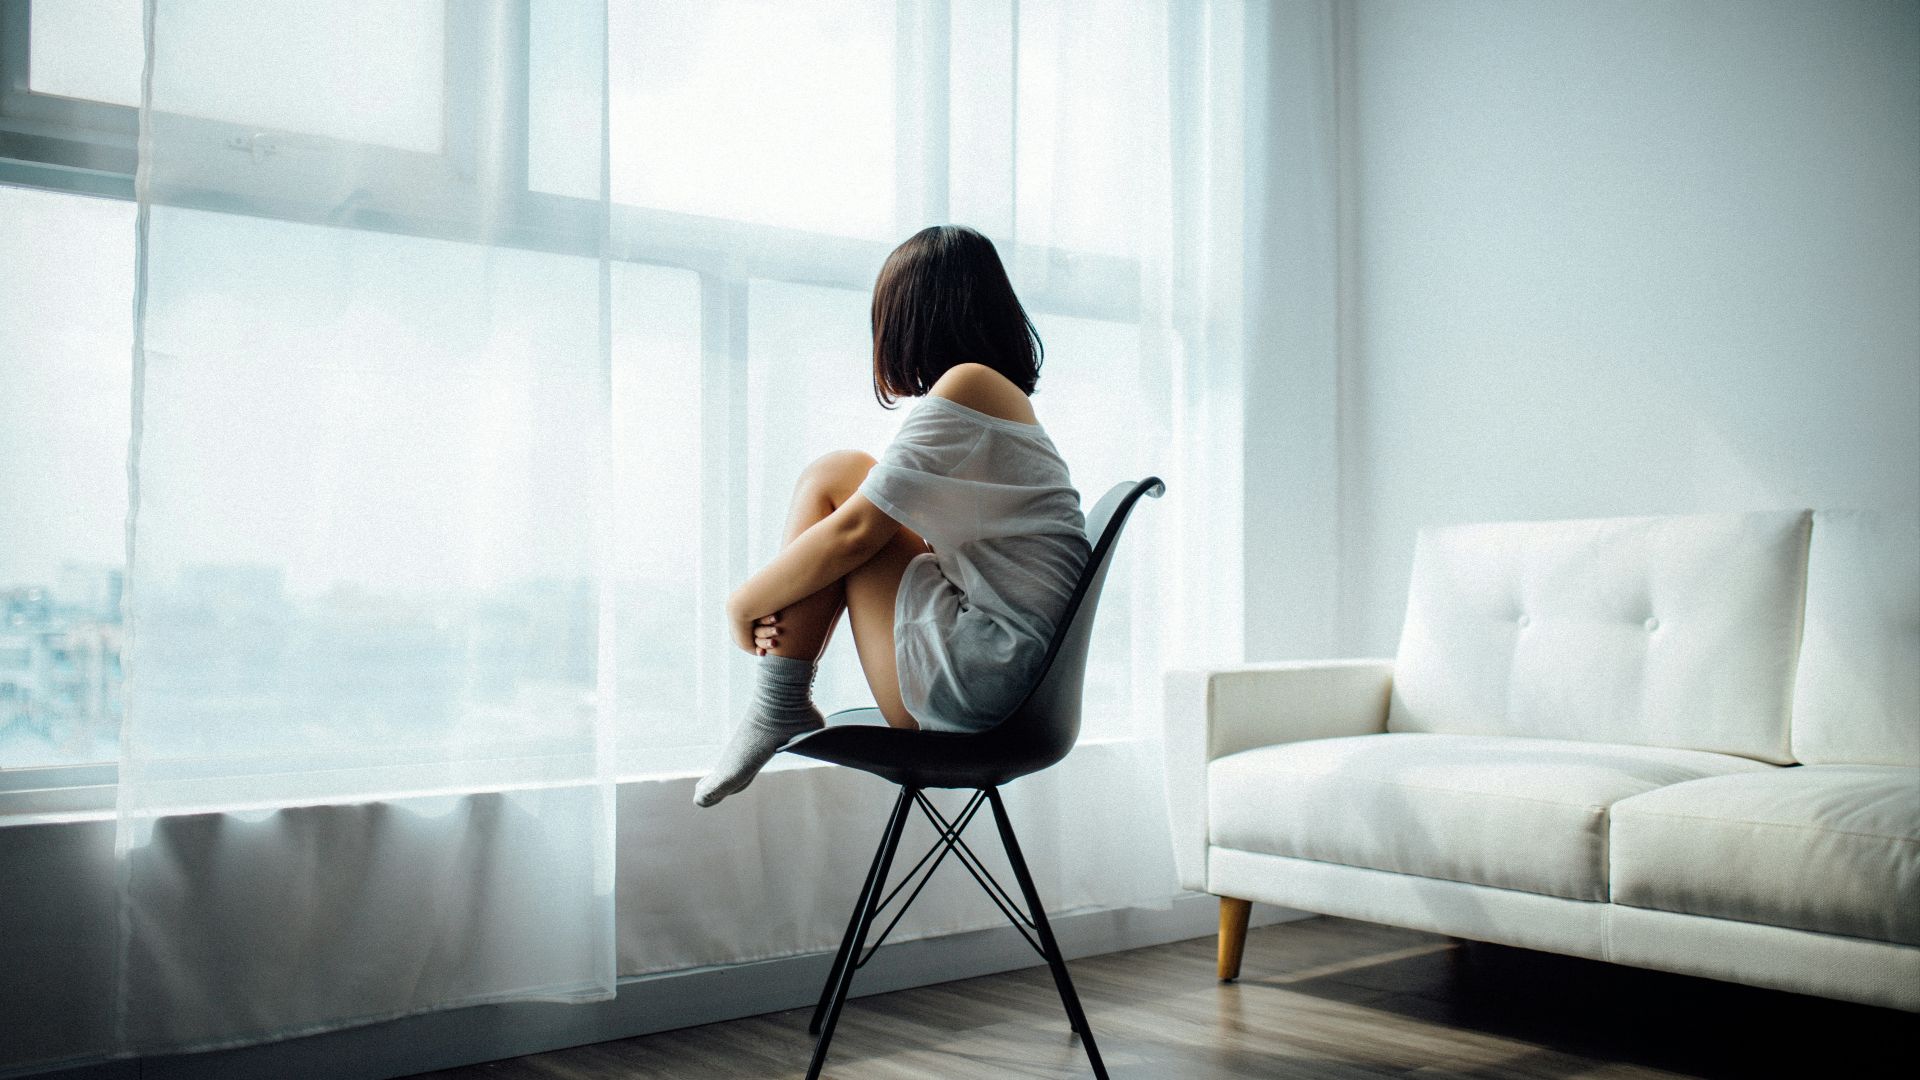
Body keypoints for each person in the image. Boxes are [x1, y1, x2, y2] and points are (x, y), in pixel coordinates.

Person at [694, 225, 1090, 807]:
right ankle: (778, 701)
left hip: (982, 685)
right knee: (846, 475)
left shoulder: (970, 385)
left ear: (912, 318)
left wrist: (742, 604)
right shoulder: (996, 399)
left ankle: (777, 702)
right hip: (1010, 680)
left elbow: (856, 534)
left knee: (836, 479)